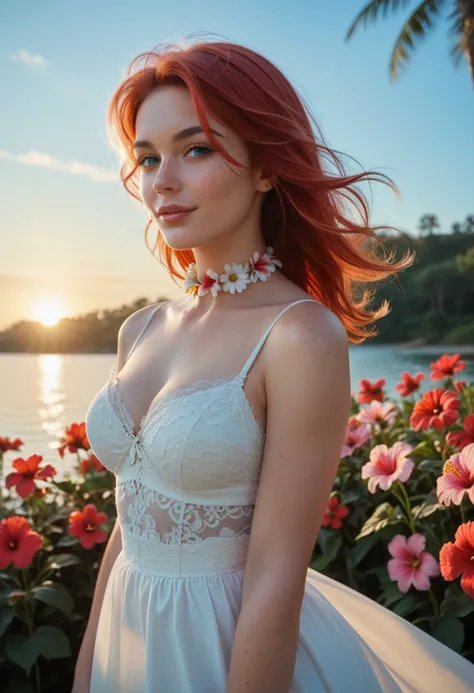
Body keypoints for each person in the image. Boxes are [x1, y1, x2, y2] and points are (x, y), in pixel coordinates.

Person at [73, 38, 474, 693]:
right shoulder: (139, 328)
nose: (162, 180)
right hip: (127, 637)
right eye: (148, 158)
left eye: (195, 148)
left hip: (228, 651)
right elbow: (127, 523)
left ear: (265, 167)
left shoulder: (298, 335)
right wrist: (89, 668)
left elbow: (275, 573)